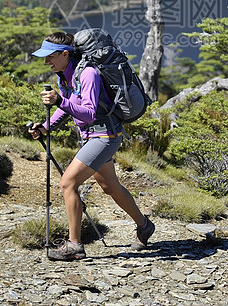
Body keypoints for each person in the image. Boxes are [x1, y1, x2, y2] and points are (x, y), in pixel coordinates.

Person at [29, 31, 155, 261]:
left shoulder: (88, 74)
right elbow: (68, 107)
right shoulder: (64, 75)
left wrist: (59, 100)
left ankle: (74, 244)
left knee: (68, 183)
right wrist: (46, 127)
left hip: (105, 136)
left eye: (50, 57)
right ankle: (144, 225)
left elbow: (87, 113)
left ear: (65, 54)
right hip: (91, 136)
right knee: (110, 186)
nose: (46, 61)